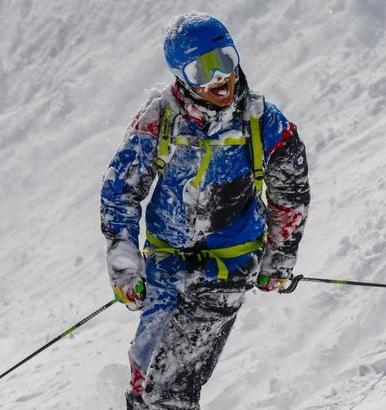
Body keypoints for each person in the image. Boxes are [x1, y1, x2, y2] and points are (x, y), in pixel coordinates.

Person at [100, 11, 310, 410]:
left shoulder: (262, 122)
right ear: (182, 76)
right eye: (202, 69)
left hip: (229, 265)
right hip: (166, 260)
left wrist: (278, 258)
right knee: (144, 381)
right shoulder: (159, 119)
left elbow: (290, 194)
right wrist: (126, 263)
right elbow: (120, 194)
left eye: (226, 60)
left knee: (170, 390)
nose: (219, 78)